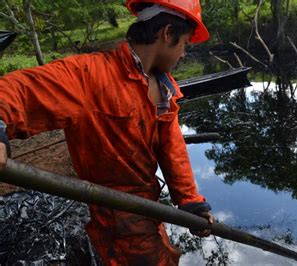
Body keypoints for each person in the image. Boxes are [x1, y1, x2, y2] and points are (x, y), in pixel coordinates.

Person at [0, 0, 214, 265]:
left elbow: (172, 148)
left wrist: (191, 201)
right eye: (184, 44)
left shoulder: (164, 87)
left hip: (148, 210)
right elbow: (18, 90)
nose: (183, 54)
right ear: (167, 33)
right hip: (116, 218)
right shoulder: (90, 76)